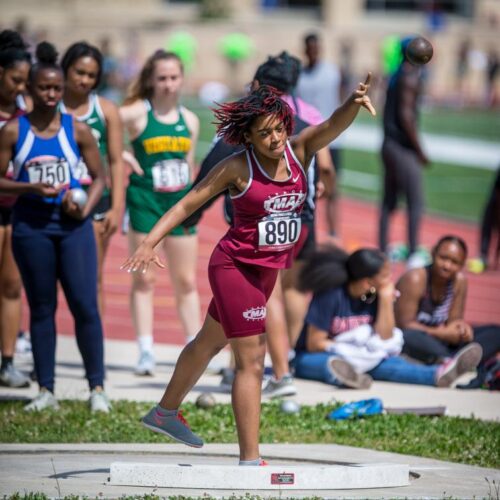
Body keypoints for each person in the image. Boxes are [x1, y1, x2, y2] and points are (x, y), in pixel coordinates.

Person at [122, 74, 376, 463]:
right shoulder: (236, 167)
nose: (274, 139)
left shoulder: (299, 150)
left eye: (278, 130)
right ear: (249, 138)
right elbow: (186, 205)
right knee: (253, 360)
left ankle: (164, 412)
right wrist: (148, 241)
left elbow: (331, 127)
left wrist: (352, 104)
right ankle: (250, 459)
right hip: (234, 268)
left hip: (265, 273)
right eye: (264, 134)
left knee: (208, 342)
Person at [183, 51, 334, 398]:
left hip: (264, 224)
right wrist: (321, 187)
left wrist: (190, 217)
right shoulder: (306, 115)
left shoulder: (253, 123)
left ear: (255, 84)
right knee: (286, 292)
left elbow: (207, 179)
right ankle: (271, 364)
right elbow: (325, 165)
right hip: (302, 218)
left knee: (269, 297)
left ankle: (279, 372)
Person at [0, 41, 109, 412]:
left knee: (84, 304)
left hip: (72, 226)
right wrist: (28, 187)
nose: (50, 94)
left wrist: (84, 209)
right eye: (43, 88)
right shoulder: (15, 132)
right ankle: (46, 390)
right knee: (42, 307)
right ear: (29, 90)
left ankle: (97, 389)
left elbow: (100, 178)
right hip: (31, 225)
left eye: (56, 89)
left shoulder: (76, 130)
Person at [293, 246, 482, 388]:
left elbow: (385, 335)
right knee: (330, 365)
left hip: (360, 358)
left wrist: (385, 300)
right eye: (385, 276)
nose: (390, 280)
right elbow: (314, 343)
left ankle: (437, 375)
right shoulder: (331, 295)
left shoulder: (375, 296)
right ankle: (348, 377)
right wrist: (346, 350)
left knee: (391, 364)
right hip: (317, 357)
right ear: (368, 282)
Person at [119, 50, 201, 376]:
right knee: (145, 280)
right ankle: (145, 350)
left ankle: (196, 347)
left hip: (178, 208)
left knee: (186, 280)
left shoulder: (190, 120)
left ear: (181, 79)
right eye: (162, 78)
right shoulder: (137, 114)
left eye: (174, 78)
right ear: (151, 81)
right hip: (145, 204)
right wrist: (122, 157)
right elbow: (97, 122)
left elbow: (190, 164)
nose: (168, 84)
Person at [60, 41, 124, 314]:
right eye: (79, 72)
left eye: (91, 75)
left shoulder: (106, 109)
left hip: (96, 199)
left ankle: (92, 347)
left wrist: (117, 208)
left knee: (92, 279)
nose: (84, 80)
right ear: (65, 69)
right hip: (53, 196)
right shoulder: (49, 103)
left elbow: (116, 160)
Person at [395, 235, 500, 388]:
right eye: (443, 258)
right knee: (406, 336)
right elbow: (404, 324)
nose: (447, 265)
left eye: (454, 262)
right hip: (415, 339)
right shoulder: (416, 278)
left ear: (462, 264)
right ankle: (461, 362)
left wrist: (461, 329)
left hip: (441, 343)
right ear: (433, 254)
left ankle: (454, 362)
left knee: (496, 332)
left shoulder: (459, 282)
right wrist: (442, 333)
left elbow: (454, 321)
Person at [379, 36, 429, 269]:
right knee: (415, 202)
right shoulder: (409, 77)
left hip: (388, 144)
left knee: (389, 202)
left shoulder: (396, 74)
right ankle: (413, 252)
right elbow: (406, 117)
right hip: (401, 148)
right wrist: (420, 151)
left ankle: (382, 249)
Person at [0, 30, 31, 388]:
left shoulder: (26, 116)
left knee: (11, 286)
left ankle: (7, 361)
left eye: (25, 82)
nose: (20, 88)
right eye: (15, 80)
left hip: (18, 212)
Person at [296, 32, 342, 238]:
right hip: (307, 139)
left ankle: (333, 231)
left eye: (316, 48)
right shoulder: (299, 76)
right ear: (305, 50)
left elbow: (341, 96)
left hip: (332, 139)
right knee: (306, 187)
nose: (313, 52)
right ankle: (307, 229)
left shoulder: (332, 72)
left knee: (332, 186)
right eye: (310, 48)